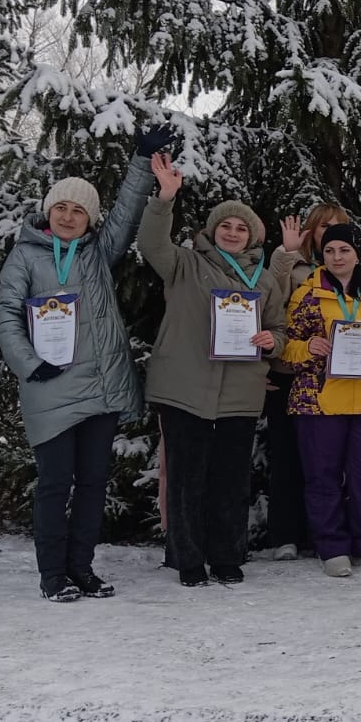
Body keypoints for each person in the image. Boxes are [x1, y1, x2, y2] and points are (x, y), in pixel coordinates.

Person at [0, 127, 167, 601]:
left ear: (90, 219)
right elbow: (6, 315)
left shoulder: (97, 253)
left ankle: (82, 568)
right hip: (49, 387)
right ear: (48, 212)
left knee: (92, 484)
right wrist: (30, 365)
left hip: (101, 388)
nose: (69, 217)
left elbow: (128, 213)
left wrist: (140, 160)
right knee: (54, 485)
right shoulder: (24, 257)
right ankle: (52, 574)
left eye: (79, 210)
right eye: (62, 208)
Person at [139, 154, 289, 587]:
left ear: (252, 236)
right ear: (213, 230)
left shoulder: (263, 281)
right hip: (185, 388)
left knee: (230, 480)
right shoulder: (185, 263)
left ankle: (226, 556)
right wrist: (165, 198)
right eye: (226, 225)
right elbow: (151, 244)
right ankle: (187, 560)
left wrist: (272, 341)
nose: (233, 232)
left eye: (242, 228)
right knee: (186, 479)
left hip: (240, 392)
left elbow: (278, 328)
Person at [281, 224, 361, 577]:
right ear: (322, 255)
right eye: (331, 250)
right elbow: (286, 345)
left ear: (357, 254)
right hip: (319, 400)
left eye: (344, 250)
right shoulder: (307, 293)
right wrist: (309, 347)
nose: (337, 257)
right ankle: (331, 546)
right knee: (322, 477)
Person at [260, 201, 350, 560]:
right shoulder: (293, 265)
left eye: (338, 226)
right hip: (288, 372)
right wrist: (265, 365)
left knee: (323, 460)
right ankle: (284, 535)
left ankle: (319, 532)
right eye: (324, 226)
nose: (330, 231)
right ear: (312, 229)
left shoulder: (347, 269)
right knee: (285, 456)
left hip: (332, 378)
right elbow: (269, 305)